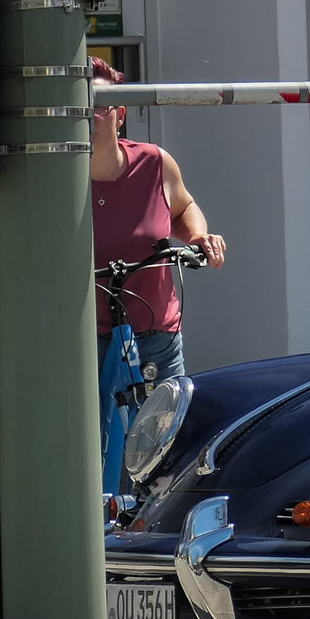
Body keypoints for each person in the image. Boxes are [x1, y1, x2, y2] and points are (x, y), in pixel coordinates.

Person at [90, 57, 226, 383]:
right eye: (80, 108)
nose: (90, 117)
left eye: (100, 107)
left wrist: (198, 237)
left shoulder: (153, 163)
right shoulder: (55, 178)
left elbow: (182, 207)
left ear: (120, 115)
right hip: (85, 340)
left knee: (166, 417)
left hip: (157, 339)